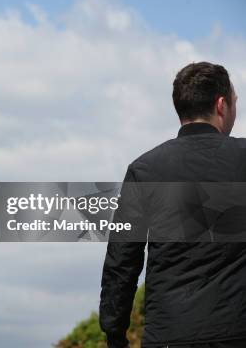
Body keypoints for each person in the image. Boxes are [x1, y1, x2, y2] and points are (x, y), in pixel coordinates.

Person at [100, 62, 246, 347]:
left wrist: (114, 333)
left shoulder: (144, 170)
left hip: (169, 335)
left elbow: (122, 261)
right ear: (221, 105)